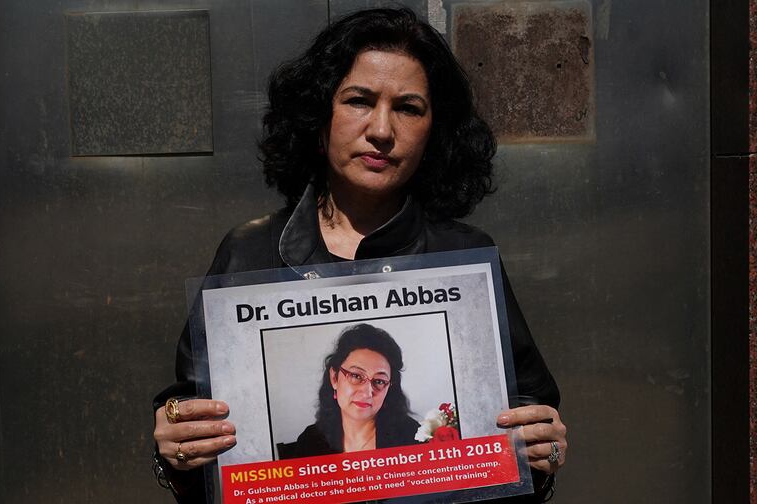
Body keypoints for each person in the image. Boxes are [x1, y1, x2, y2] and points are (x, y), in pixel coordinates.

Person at [152, 7, 568, 503]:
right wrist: (177, 442)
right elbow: (198, 423)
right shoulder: (249, 252)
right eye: (359, 100)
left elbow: (526, 411)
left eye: (409, 108)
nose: (382, 130)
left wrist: (540, 449)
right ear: (319, 114)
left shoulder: (465, 255)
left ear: (435, 127)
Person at [278, 323, 419, 459]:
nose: (367, 393)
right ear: (334, 378)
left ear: (389, 387)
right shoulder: (310, 441)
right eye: (356, 376)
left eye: (379, 381)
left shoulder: (412, 438)